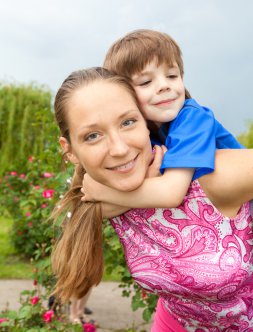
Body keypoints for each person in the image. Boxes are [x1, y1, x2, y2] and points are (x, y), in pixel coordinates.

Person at [52, 67, 253, 331]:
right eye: (92, 136)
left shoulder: (209, 178)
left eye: (127, 122)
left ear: (146, 121)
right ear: (70, 152)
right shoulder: (98, 195)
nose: (120, 149)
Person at [81, 29, 244, 210]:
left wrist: (101, 192)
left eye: (172, 76)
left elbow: (171, 193)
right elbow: (105, 211)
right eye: (145, 82)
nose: (164, 86)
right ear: (123, 95)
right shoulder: (139, 136)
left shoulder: (193, 118)